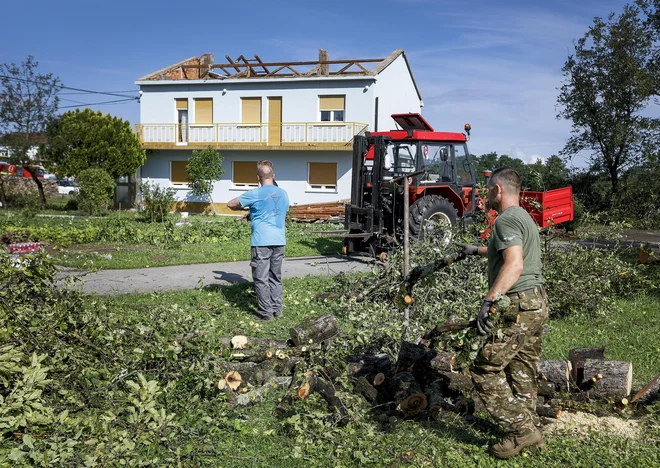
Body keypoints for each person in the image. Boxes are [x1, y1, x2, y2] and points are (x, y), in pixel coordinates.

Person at [456, 167, 549, 459]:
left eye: (487, 189)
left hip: (518, 304)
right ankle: (530, 427)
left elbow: (515, 264)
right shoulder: (524, 218)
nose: (485, 195)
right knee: (522, 368)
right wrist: (478, 251)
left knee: (484, 368)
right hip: (537, 302)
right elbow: (507, 250)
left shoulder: (505, 220)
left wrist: (489, 301)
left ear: (498, 189)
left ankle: (522, 431)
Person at [227, 164, 289, 320]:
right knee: (275, 276)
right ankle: (277, 310)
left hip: (261, 241)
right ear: (273, 176)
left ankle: (266, 313)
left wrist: (245, 208)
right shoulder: (284, 193)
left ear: (257, 177)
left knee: (261, 278)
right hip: (279, 240)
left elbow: (231, 203)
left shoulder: (255, 193)